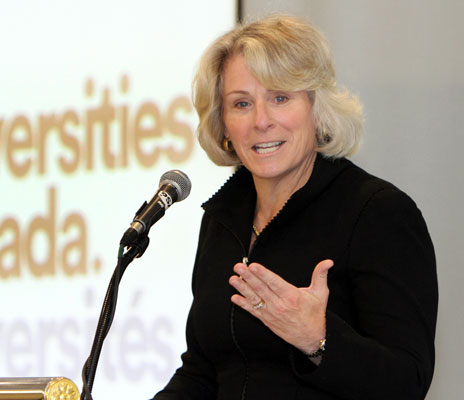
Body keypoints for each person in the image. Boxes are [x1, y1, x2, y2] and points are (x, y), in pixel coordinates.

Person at [152, 14, 438, 400]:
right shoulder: (223, 219)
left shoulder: (377, 214)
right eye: (241, 104)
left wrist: (317, 339)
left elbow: (407, 382)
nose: (261, 121)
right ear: (222, 126)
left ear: (317, 108)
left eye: (280, 98)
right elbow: (204, 372)